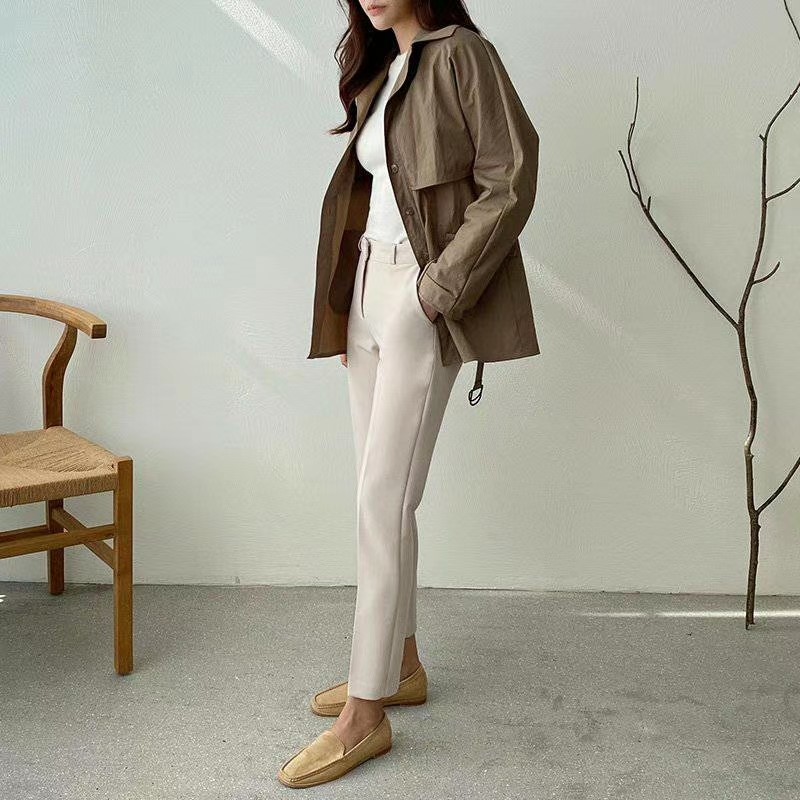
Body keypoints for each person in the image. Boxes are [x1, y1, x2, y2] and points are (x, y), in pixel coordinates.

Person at [279, 0, 541, 788]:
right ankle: (402, 664)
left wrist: (435, 292)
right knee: (383, 495)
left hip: (421, 298)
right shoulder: (385, 70)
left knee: (381, 502)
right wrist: (347, 306)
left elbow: (511, 178)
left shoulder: (462, 55)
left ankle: (366, 713)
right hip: (368, 291)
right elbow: (374, 197)